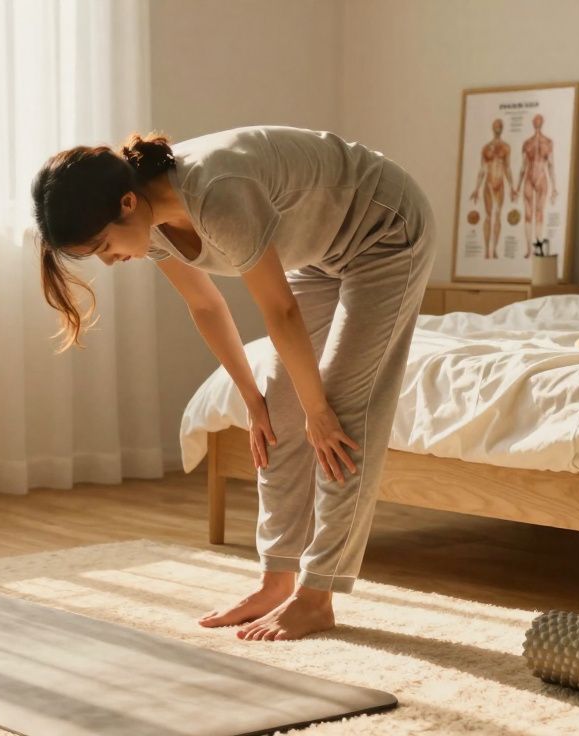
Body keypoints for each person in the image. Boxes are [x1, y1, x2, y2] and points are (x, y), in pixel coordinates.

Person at [31, 125, 435, 641]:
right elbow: (205, 305)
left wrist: (318, 411)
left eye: (104, 246)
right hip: (320, 254)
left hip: (386, 229)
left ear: (127, 203)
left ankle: (317, 595)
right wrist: (253, 400)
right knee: (279, 411)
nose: (109, 261)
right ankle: (276, 580)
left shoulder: (217, 194)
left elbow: (281, 311)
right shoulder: (152, 223)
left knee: (339, 416)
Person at [512, 114, 557, 255]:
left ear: (541, 122)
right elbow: (523, 167)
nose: (537, 121)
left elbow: (551, 165)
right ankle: (528, 249)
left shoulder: (547, 142)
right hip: (529, 178)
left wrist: (554, 187)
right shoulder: (527, 143)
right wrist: (517, 188)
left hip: (541, 178)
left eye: (539, 120)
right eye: (535, 120)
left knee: (539, 213)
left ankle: (537, 248)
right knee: (528, 214)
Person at [469, 119, 511, 259]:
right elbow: (482, 169)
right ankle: (487, 250)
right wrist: (476, 188)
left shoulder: (506, 147)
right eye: (496, 126)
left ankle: (495, 249)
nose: (498, 128)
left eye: (500, 126)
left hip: (500, 184)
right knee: (488, 216)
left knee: (498, 215)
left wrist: (512, 187)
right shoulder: (486, 148)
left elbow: (507, 168)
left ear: (502, 128)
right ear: (493, 128)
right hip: (488, 184)